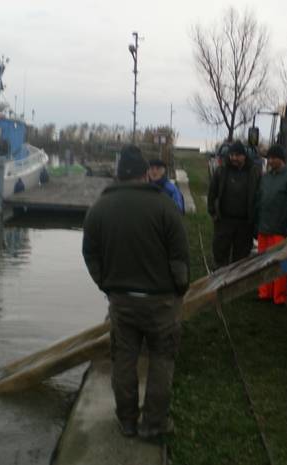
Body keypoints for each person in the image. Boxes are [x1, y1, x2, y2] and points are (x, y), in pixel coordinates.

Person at [82, 145, 190, 440]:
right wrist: (179, 288)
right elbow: (180, 256)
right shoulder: (165, 206)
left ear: (118, 175)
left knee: (124, 361)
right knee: (161, 360)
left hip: (121, 302)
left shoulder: (99, 209)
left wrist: (105, 282)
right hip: (161, 302)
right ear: (145, 174)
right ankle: (153, 424)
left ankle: (127, 421)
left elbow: (90, 253)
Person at [255, 144, 287, 305]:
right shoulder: (266, 177)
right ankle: (264, 293)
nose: (269, 161)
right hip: (264, 227)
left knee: (279, 264)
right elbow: (260, 199)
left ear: (280, 159)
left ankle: (279, 297)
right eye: (268, 158)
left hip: (280, 229)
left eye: (273, 158)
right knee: (263, 262)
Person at [207, 140, 261, 269]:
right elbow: (212, 192)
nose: (233, 158)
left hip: (244, 223)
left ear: (244, 156)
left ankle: (236, 283)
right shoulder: (222, 170)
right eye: (231, 155)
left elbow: (259, 196)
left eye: (237, 155)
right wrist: (213, 212)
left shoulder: (254, 171)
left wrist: (255, 219)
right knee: (220, 252)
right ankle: (218, 280)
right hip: (224, 220)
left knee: (241, 258)